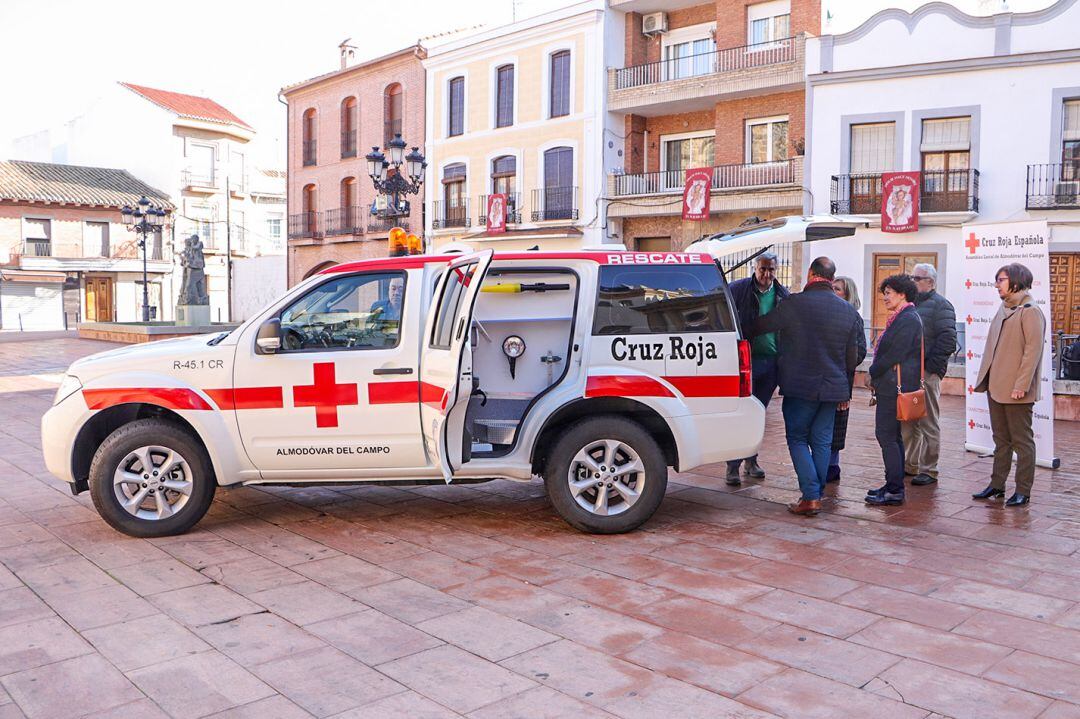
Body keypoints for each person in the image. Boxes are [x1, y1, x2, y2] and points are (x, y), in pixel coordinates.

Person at [748, 257, 863, 516]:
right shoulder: (848, 311)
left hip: (800, 387)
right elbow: (852, 357)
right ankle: (816, 494)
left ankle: (811, 497)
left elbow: (761, 326)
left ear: (811, 273)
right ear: (831, 279)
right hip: (833, 389)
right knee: (822, 442)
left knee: (798, 438)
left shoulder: (795, 303)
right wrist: (846, 391)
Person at [972, 263, 1046, 507]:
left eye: (1001, 280)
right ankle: (997, 485)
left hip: (1016, 390)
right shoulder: (1005, 308)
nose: (996, 285)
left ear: (1016, 281)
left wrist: (1021, 385)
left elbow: (1032, 353)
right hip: (996, 387)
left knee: (1022, 442)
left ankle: (1023, 490)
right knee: (1001, 440)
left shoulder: (1030, 311)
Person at [726, 252, 790, 485]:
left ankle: (751, 461)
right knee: (741, 413)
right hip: (746, 363)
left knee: (758, 414)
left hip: (771, 363)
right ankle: (732, 465)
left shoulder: (783, 295)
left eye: (771, 269)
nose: (767, 274)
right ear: (755, 268)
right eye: (763, 269)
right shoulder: (738, 289)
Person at [865, 274, 923, 506]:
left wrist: (873, 370)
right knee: (893, 437)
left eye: (889, 293)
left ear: (902, 294)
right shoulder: (903, 316)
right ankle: (892, 484)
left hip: (893, 386)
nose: (885, 297)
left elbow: (894, 353)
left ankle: (895, 489)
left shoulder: (908, 318)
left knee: (886, 436)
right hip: (891, 385)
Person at [904, 263, 957, 486]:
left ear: (931, 282)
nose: (913, 281)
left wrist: (931, 368)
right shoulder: (910, 304)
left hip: (926, 372)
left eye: (918, 278)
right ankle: (910, 464)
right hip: (908, 371)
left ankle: (929, 469)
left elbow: (948, 340)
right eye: (912, 277)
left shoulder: (941, 305)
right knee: (909, 420)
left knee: (928, 421)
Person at [827, 277, 867, 483]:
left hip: (842, 381)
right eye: (831, 288)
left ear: (848, 294)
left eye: (838, 289)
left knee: (836, 428)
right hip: (825, 380)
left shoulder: (854, 318)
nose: (833, 291)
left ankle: (832, 466)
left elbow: (860, 352)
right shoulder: (826, 315)